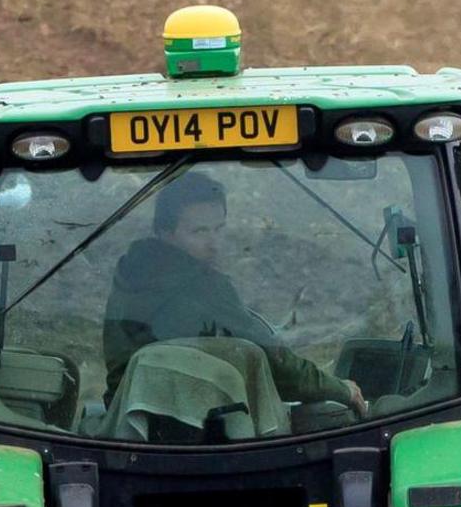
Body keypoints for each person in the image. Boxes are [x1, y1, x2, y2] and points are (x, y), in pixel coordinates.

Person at [102, 171, 362, 428]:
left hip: (134, 429)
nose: (214, 242)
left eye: (219, 228)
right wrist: (341, 390)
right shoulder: (203, 286)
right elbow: (277, 365)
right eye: (199, 231)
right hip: (197, 430)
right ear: (165, 233)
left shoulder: (130, 278)